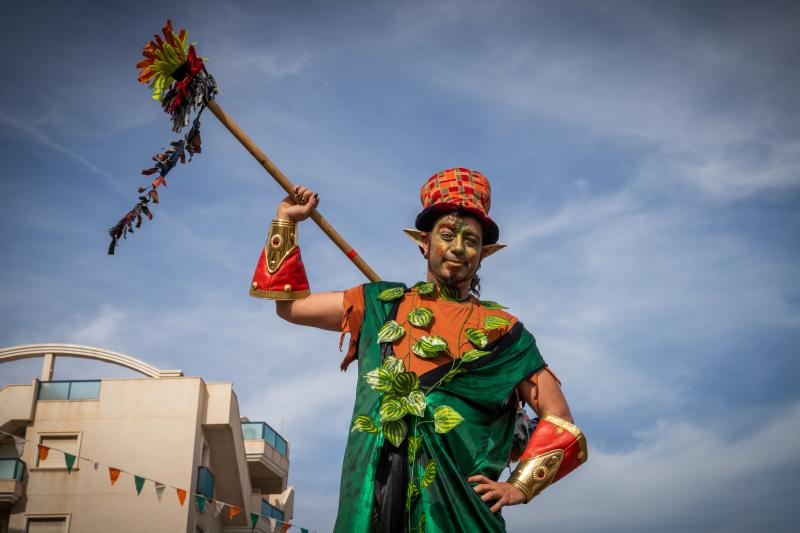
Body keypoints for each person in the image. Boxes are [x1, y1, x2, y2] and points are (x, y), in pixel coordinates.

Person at [249, 168, 587, 532]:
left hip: (461, 516)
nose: (458, 247)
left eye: (470, 240)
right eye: (447, 235)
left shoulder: (505, 332)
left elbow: (561, 421)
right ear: (424, 243)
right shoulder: (379, 305)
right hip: (373, 501)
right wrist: (286, 220)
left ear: (483, 254)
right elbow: (289, 306)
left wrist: (519, 486)